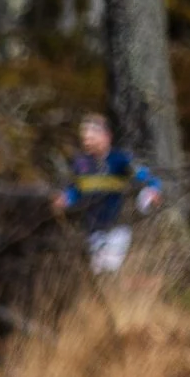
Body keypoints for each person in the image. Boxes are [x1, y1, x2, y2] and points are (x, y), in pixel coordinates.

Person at [59, 112, 163, 276]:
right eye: (84, 135)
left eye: (92, 134)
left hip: (118, 228)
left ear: (106, 136)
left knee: (108, 271)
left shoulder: (121, 160)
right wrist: (66, 198)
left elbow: (149, 179)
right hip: (92, 229)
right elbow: (76, 189)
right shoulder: (81, 163)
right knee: (96, 273)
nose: (87, 139)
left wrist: (153, 191)